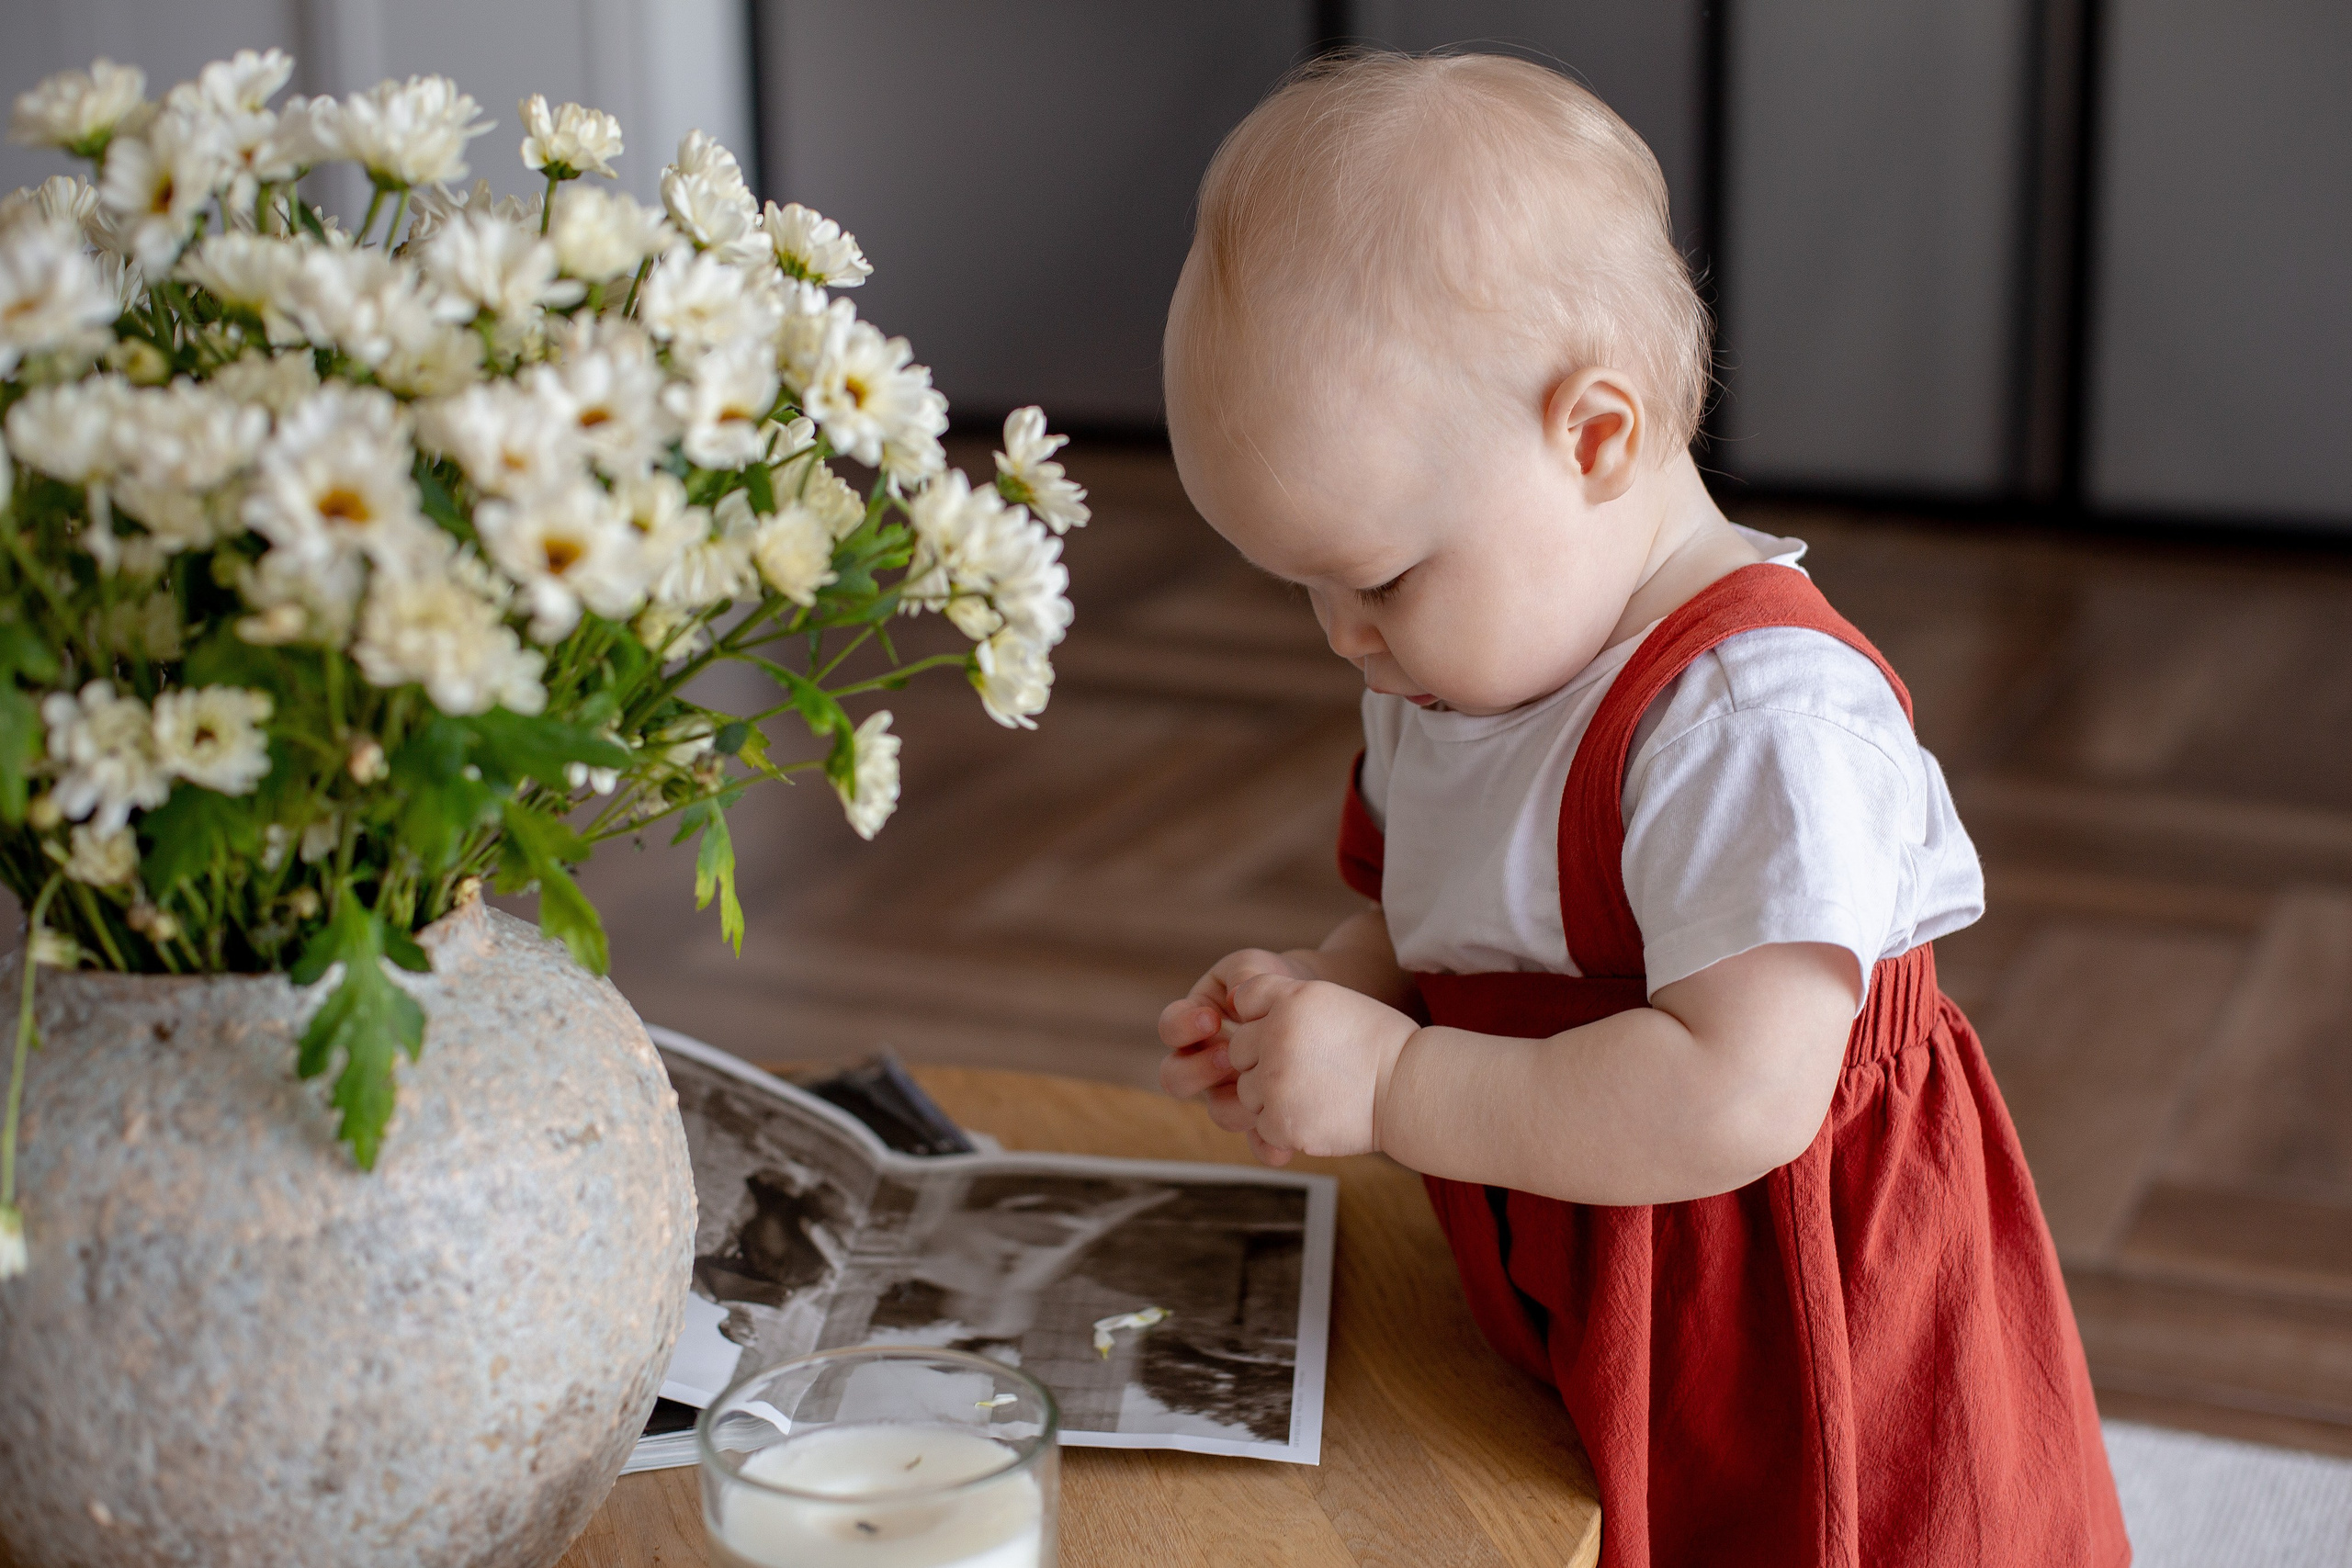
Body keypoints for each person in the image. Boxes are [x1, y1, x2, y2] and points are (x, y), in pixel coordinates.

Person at [1153, 51, 2129, 1568]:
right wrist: (1323, 1005)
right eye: (1307, 588)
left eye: (1382, 577)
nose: (1342, 637)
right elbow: (1431, 923)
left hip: (1788, 1335)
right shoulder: (1446, 671)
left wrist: (1401, 1089)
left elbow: (1737, 1097)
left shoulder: (1753, 723)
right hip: (1588, 1270)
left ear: (1594, 438)